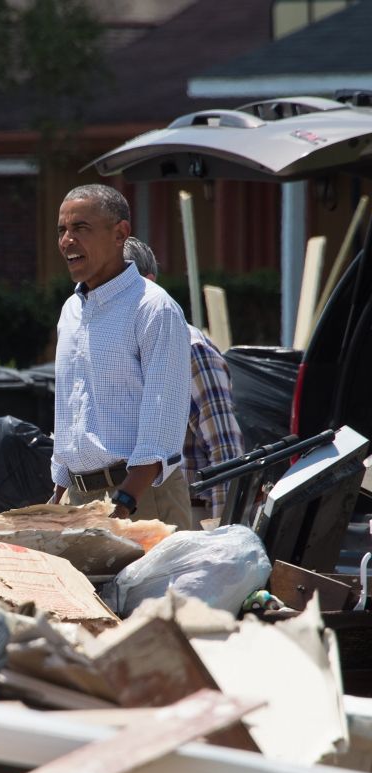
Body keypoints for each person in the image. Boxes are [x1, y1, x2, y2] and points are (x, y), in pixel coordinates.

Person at [50, 184, 192, 532]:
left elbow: (163, 422)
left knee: (151, 590)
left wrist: (125, 501)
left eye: (81, 228)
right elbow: (69, 411)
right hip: (80, 500)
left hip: (141, 498)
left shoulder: (154, 308)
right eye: (62, 230)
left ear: (120, 233)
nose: (67, 240)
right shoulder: (71, 310)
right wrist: (58, 495)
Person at [122, 237, 245, 526]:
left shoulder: (189, 348)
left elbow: (225, 450)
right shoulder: (117, 351)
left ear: (149, 283)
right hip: (132, 507)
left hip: (190, 516)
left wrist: (222, 536)